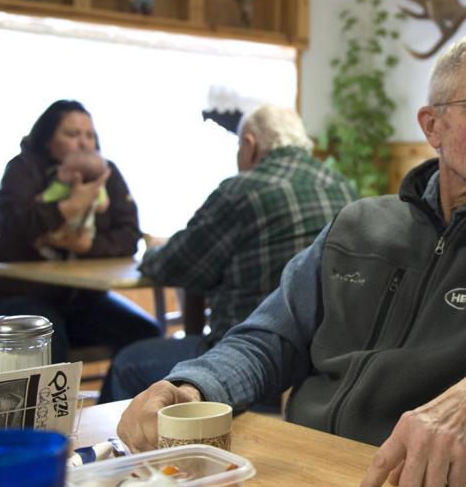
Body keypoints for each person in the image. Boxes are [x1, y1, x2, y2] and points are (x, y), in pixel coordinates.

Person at [116, 34, 466, 487]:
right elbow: (268, 338)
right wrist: (192, 385)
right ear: (431, 125)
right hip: (302, 476)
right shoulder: (357, 224)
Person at [103, 104, 358, 403]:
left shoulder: (243, 190)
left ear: (249, 145)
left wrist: (153, 249)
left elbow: (174, 265)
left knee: (127, 363)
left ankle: (118, 449)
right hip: (319, 362)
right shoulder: (343, 188)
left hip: (248, 360)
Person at [0, 100, 161, 399]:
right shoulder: (23, 168)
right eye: (72, 133)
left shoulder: (107, 172)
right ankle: (49, 434)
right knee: (49, 336)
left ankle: (112, 420)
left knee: (144, 335)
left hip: (82, 301)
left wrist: (88, 246)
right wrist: (65, 208)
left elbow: (129, 234)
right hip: (16, 296)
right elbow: (10, 228)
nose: (84, 142)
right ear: (48, 137)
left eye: (89, 134)